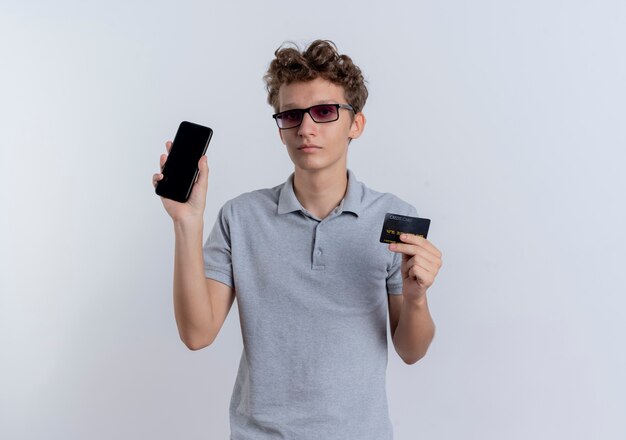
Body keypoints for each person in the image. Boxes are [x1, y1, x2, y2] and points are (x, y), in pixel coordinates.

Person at [153, 39, 443, 440]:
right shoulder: (241, 217)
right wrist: (187, 221)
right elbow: (197, 334)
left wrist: (416, 298)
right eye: (290, 115)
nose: (306, 128)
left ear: (355, 123)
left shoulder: (394, 218)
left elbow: (412, 350)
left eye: (324, 112)